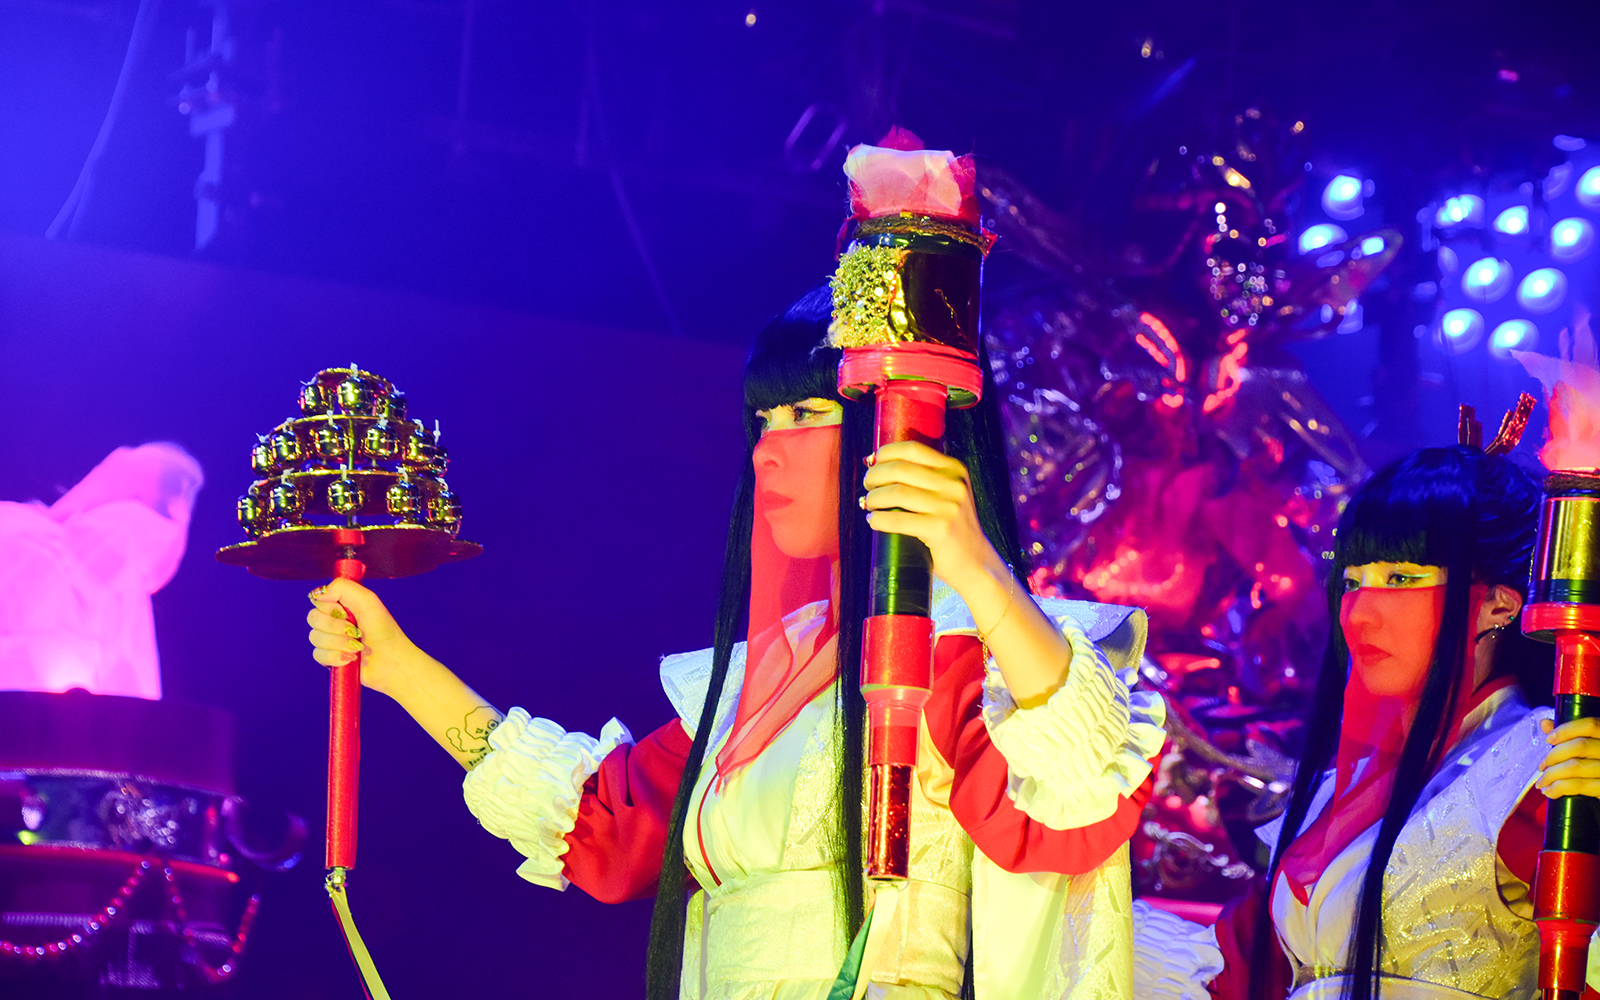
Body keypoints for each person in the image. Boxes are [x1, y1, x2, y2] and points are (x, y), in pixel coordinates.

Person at [305, 286, 1167, 999]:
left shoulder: (964, 646)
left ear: (897, 430)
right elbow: (607, 830)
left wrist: (974, 563)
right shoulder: (768, 671)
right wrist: (402, 670)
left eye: (805, 412)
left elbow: (1074, 805)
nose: (768, 453)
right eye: (761, 421)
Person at [1133, 441, 1600, 1000]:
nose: (1360, 610)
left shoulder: (1540, 765)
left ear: (1498, 603)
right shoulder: (1340, 790)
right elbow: (1233, 968)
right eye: (1352, 582)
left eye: (1401, 579)